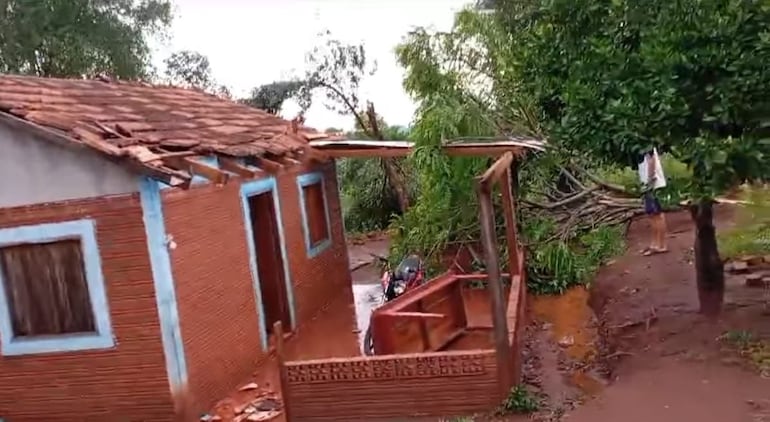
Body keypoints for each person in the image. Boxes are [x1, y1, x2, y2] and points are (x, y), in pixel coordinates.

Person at [639, 147, 668, 256]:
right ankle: (654, 243)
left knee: (657, 214)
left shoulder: (646, 143)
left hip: (653, 184)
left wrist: (650, 180)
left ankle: (661, 245)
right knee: (651, 214)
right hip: (648, 184)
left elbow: (652, 160)